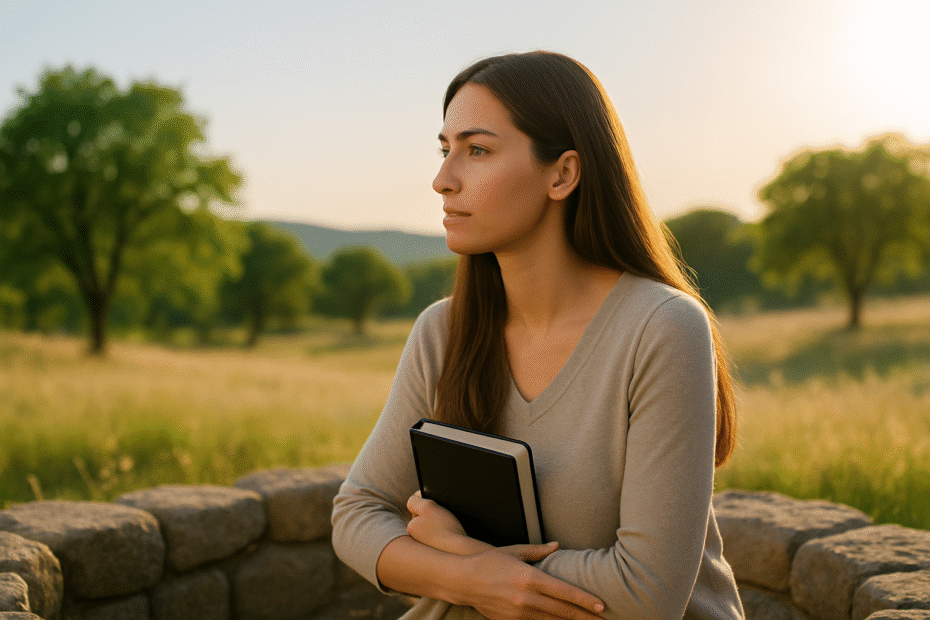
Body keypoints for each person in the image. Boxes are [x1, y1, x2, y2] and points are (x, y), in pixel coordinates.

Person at [331, 51, 745, 620]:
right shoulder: (442, 330)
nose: (442, 179)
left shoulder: (662, 327)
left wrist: (463, 555)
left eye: (477, 150)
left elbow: (647, 593)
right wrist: (466, 575)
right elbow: (356, 512)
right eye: (444, 149)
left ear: (563, 174)